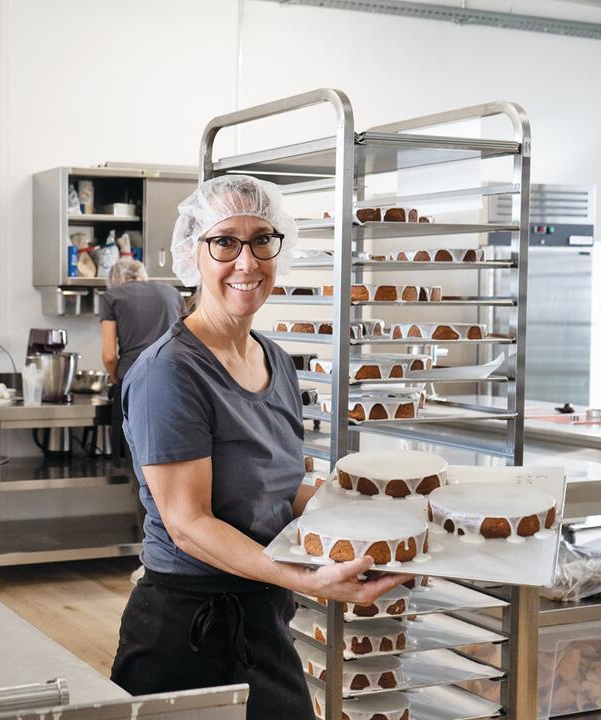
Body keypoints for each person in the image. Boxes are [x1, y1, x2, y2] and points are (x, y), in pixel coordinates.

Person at [110, 176, 409, 718]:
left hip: (263, 616)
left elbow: (280, 486)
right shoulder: (170, 372)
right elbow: (188, 523)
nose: (246, 263)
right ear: (192, 252)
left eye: (261, 240)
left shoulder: (274, 360)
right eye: (225, 241)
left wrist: (383, 518)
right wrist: (307, 578)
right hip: (186, 632)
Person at [100, 259, 183, 462]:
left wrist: (114, 376)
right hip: (175, 382)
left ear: (115, 280)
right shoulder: (173, 293)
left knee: (135, 459)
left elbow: (109, 355)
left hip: (133, 382)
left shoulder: (111, 297)